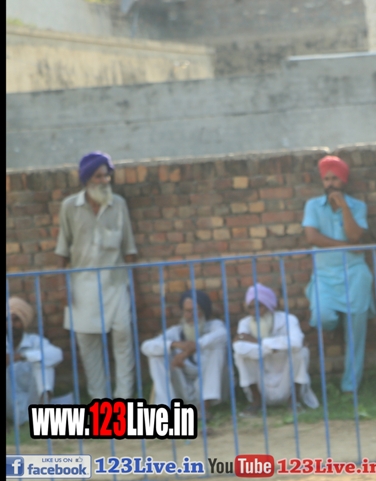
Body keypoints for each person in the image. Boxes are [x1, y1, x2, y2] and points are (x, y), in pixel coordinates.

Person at [55, 151, 138, 401]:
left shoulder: (118, 204)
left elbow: (129, 250)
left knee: (123, 339)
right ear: (87, 179)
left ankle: (123, 401)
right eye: (99, 176)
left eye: (107, 176)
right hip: (82, 286)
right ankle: (99, 402)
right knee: (89, 347)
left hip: (116, 283)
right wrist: (62, 287)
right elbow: (62, 251)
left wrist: (133, 288)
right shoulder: (70, 206)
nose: (104, 181)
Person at [303, 155, 374, 393]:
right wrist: (345, 246)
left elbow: (355, 236)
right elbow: (312, 237)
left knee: (357, 333)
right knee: (323, 316)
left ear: (343, 181)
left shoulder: (357, 206)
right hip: (325, 276)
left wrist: (344, 207)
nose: (330, 183)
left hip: (355, 274)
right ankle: (337, 324)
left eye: (335, 178)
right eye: (326, 179)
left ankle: (350, 386)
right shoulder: (313, 205)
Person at [140, 290, 227, 421]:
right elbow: (146, 346)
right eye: (187, 311)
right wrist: (174, 344)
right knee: (156, 354)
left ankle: (204, 408)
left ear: (204, 311)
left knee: (217, 348)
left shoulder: (214, 326)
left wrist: (189, 349)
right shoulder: (176, 331)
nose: (191, 315)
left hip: (210, 389)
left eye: (195, 310)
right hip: (183, 388)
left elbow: (222, 335)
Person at [233, 283, 319, 412]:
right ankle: (256, 400)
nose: (255, 312)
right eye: (250, 308)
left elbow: (296, 342)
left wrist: (258, 342)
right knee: (239, 356)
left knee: (302, 351)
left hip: (286, 378)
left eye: (259, 306)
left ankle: (294, 400)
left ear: (269, 305)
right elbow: (239, 347)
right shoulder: (245, 323)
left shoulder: (289, 319)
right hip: (261, 380)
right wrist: (274, 347)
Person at [6, 297, 65, 426]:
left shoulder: (35, 341)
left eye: (16, 320)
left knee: (44, 362)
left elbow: (57, 354)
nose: (11, 325)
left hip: (33, 401)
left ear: (24, 322)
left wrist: (20, 356)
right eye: (7, 320)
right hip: (9, 404)